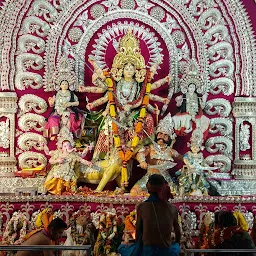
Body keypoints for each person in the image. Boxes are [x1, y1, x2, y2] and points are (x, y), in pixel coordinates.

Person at [79, 30, 172, 189]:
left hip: (135, 114)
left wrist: (132, 106)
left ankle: (132, 166)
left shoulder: (138, 84)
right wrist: (94, 66)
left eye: (132, 68)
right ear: (120, 70)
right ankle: (103, 165)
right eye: (126, 68)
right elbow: (108, 93)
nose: (129, 71)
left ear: (136, 71)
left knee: (145, 122)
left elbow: (142, 98)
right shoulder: (116, 82)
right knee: (109, 128)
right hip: (117, 113)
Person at [130, 113, 183, 196]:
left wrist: (190, 163)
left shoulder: (171, 151)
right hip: (149, 177)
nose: (162, 137)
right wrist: (142, 161)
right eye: (160, 134)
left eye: (165, 135)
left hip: (165, 179)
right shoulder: (150, 148)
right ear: (156, 134)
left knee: (174, 193)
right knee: (134, 192)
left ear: (169, 138)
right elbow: (140, 154)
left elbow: (182, 158)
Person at [135, 174, 181, 256]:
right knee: (176, 247)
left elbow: (138, 232)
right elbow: (178, 234)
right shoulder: (172, 208)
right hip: (167, 251)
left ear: (148, 187)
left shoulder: (142, 207)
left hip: (148, 252)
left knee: (123, 248)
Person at [44, 128, 93, 195]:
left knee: (70, 181)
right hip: (57, 171)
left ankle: (67, 192)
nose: (67, 147)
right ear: (62, 147)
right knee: (55, 179)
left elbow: (81, 158)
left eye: (69, 145)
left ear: (71, 146)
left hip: (69, 172)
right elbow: (50, 160)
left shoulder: (73, 155)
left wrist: (88, 162)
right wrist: (57, 160)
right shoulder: (58, 153)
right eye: (65, 146)